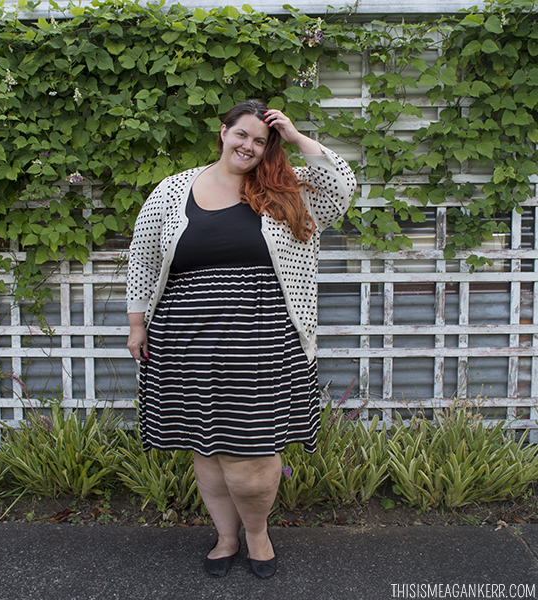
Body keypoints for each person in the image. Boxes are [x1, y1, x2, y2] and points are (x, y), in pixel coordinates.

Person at [126, 99, 356, 579]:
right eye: (242, 134)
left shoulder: (285, 190)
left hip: (263, 339)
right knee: (204, 444)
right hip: (185, 337)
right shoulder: (173, 190)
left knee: (252, 452)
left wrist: (293, 136)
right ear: (223, 131)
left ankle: (257, 533)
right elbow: (143, 257)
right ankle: (226, 536)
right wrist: (136, 324)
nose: (248, 146)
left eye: (260, 140)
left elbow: (341, 188)